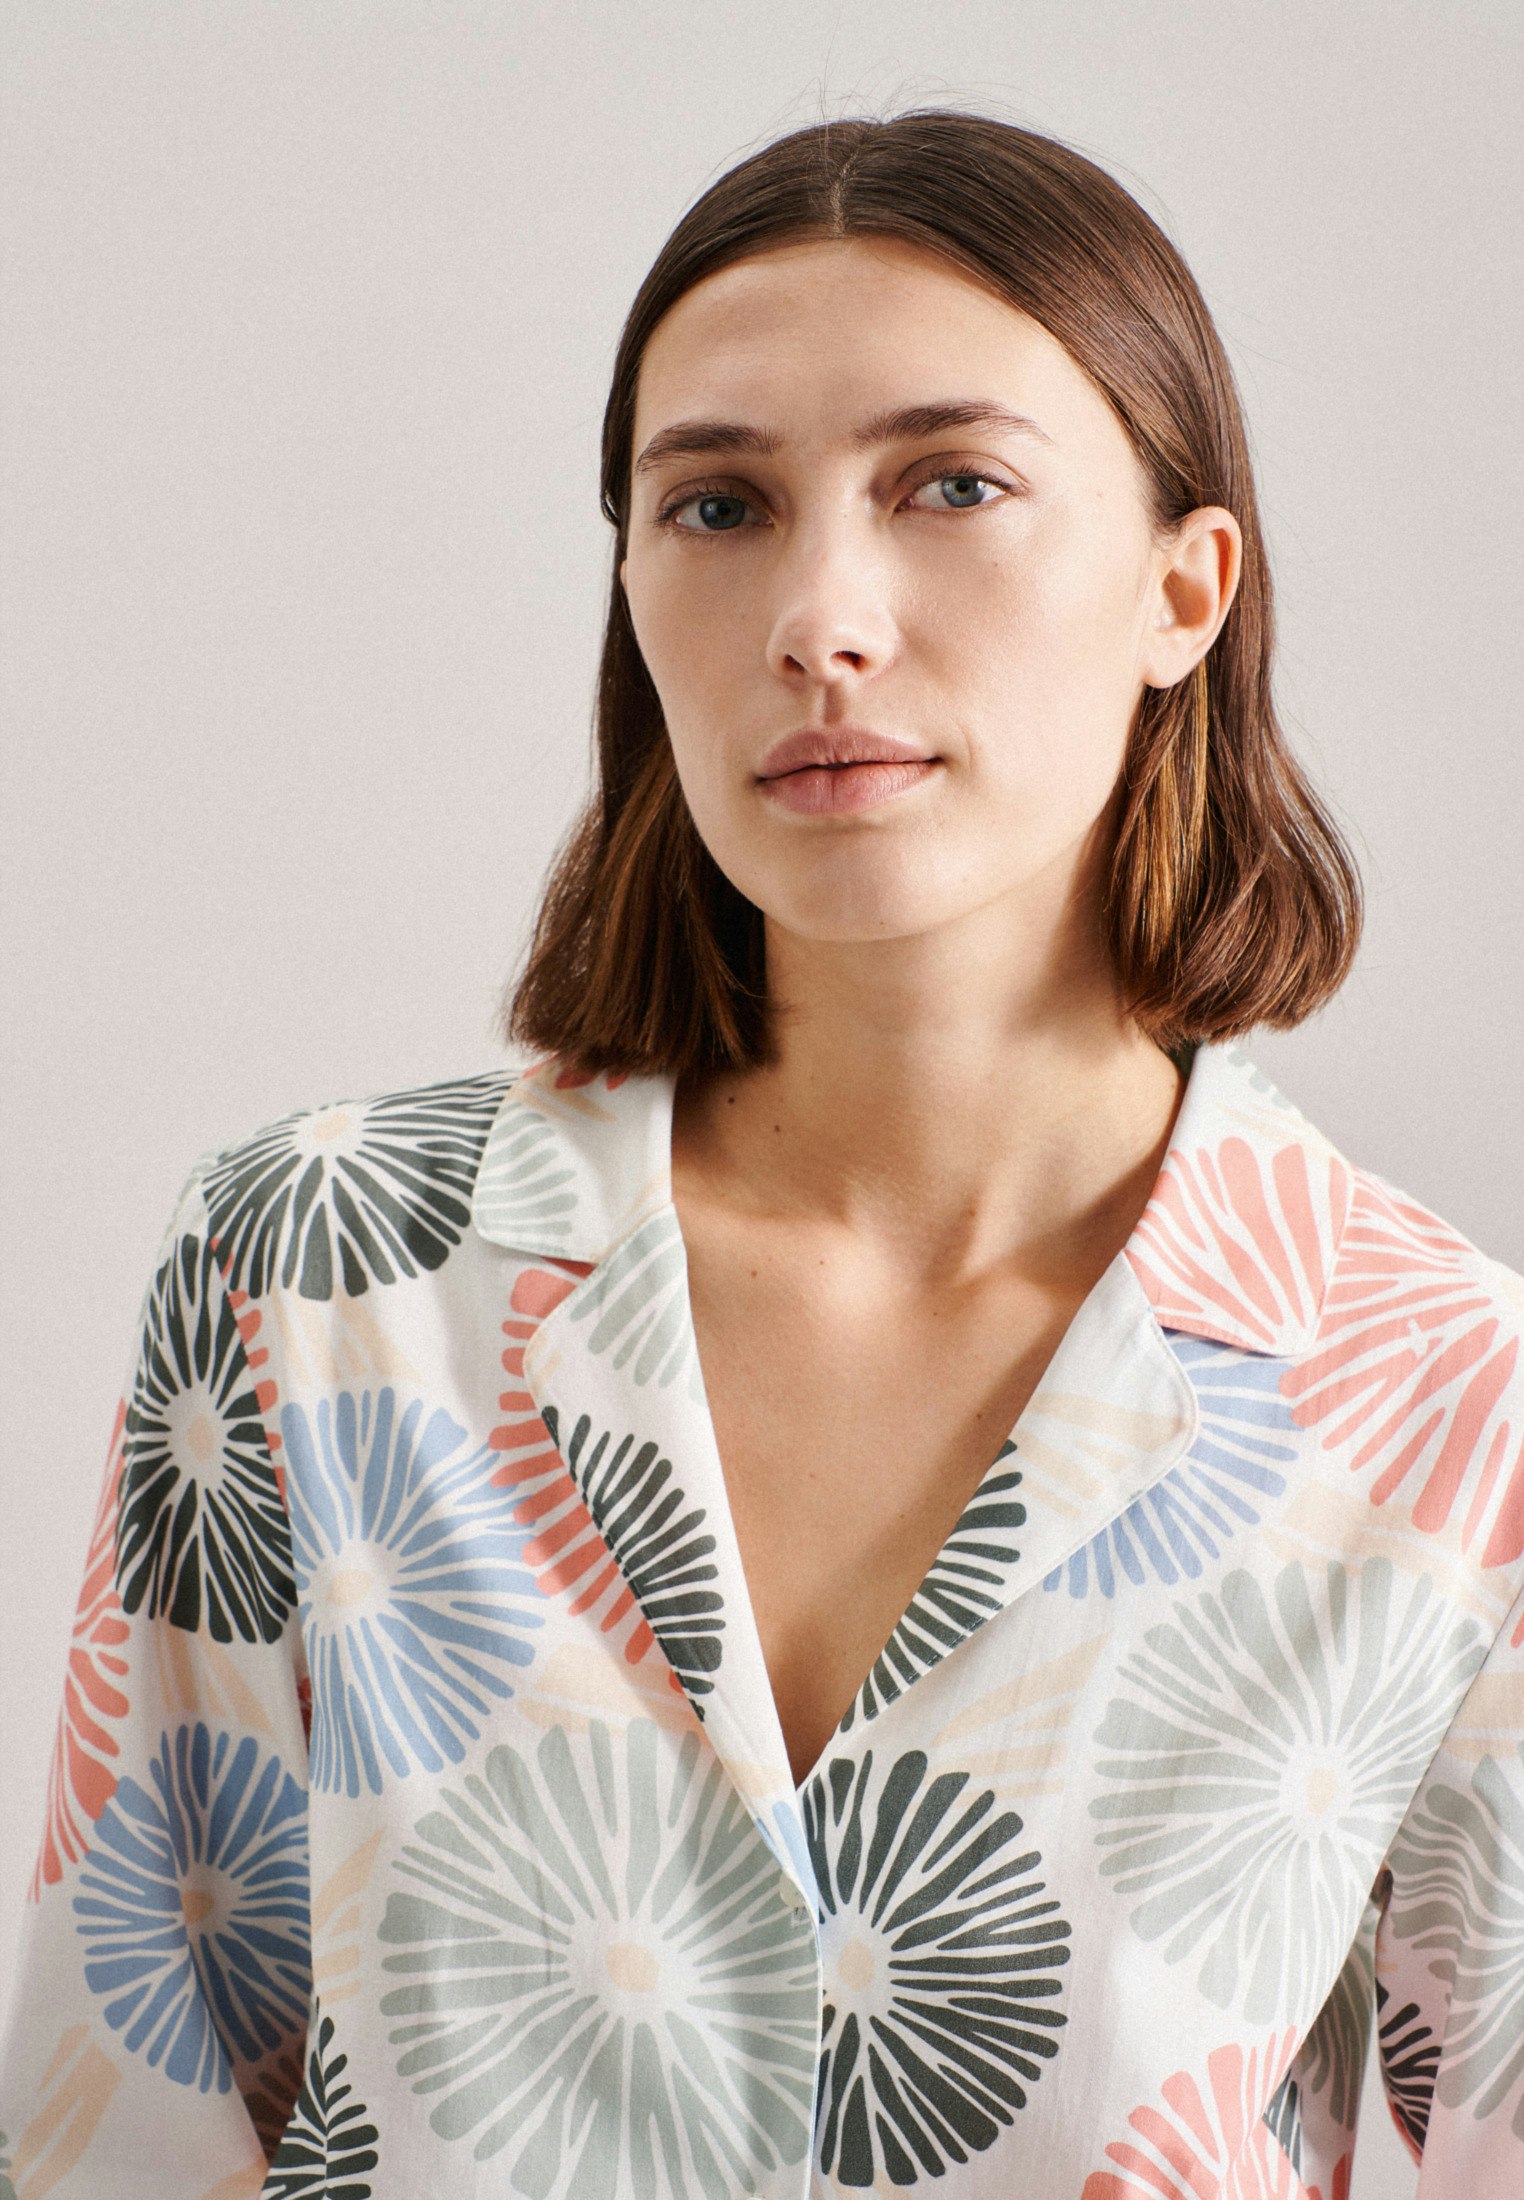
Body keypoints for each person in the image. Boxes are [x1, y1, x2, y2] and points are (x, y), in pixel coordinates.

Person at [1, 108, 1518, 2200]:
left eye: (952, 484)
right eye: (716, 504)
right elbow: (129, 2116)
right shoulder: (318, 1282)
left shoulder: (1446, 1399)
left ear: (1186, 588)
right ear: (632, 588)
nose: (819, 615)